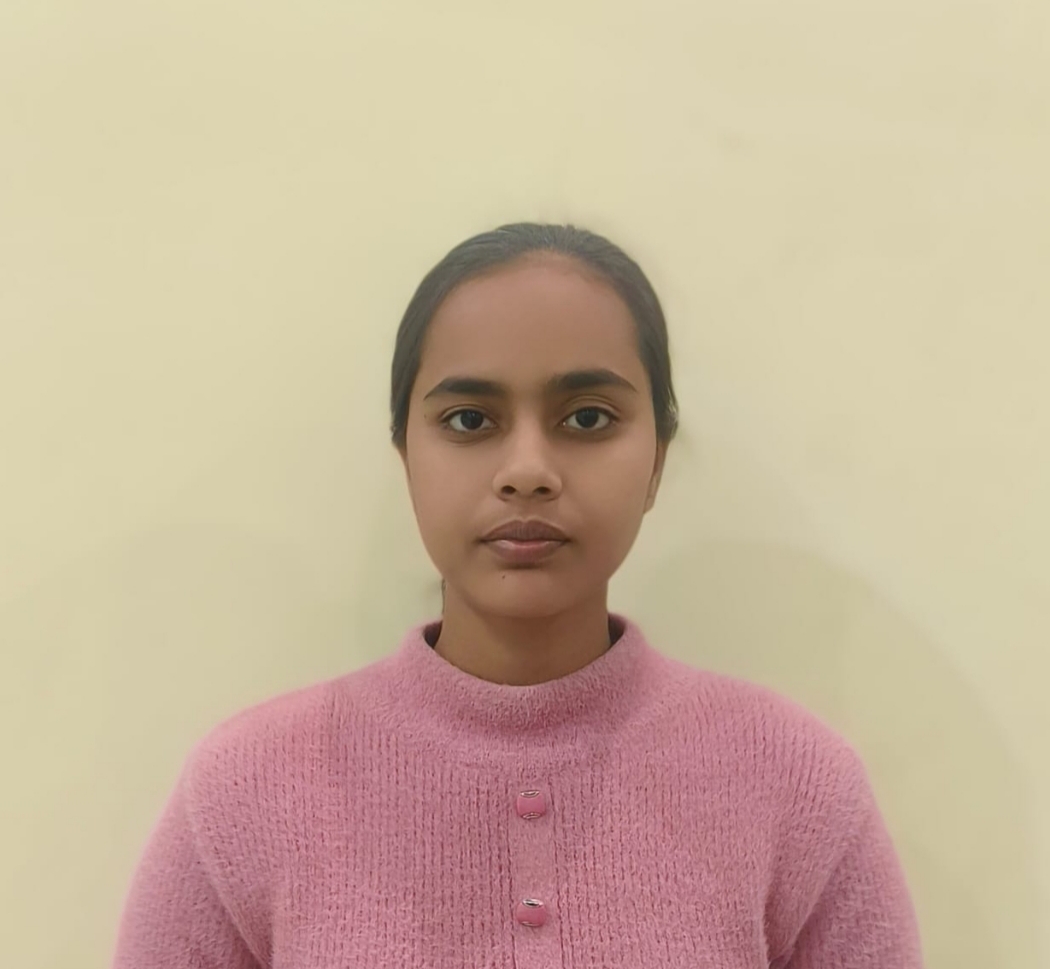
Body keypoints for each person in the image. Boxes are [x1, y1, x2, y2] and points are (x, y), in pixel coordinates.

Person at [111, 222, 924, 967]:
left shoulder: (799, 786)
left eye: (587, 418)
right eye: (470, 421)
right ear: (406, 455)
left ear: (657, 460)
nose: (527, 470)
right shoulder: (245, 789)